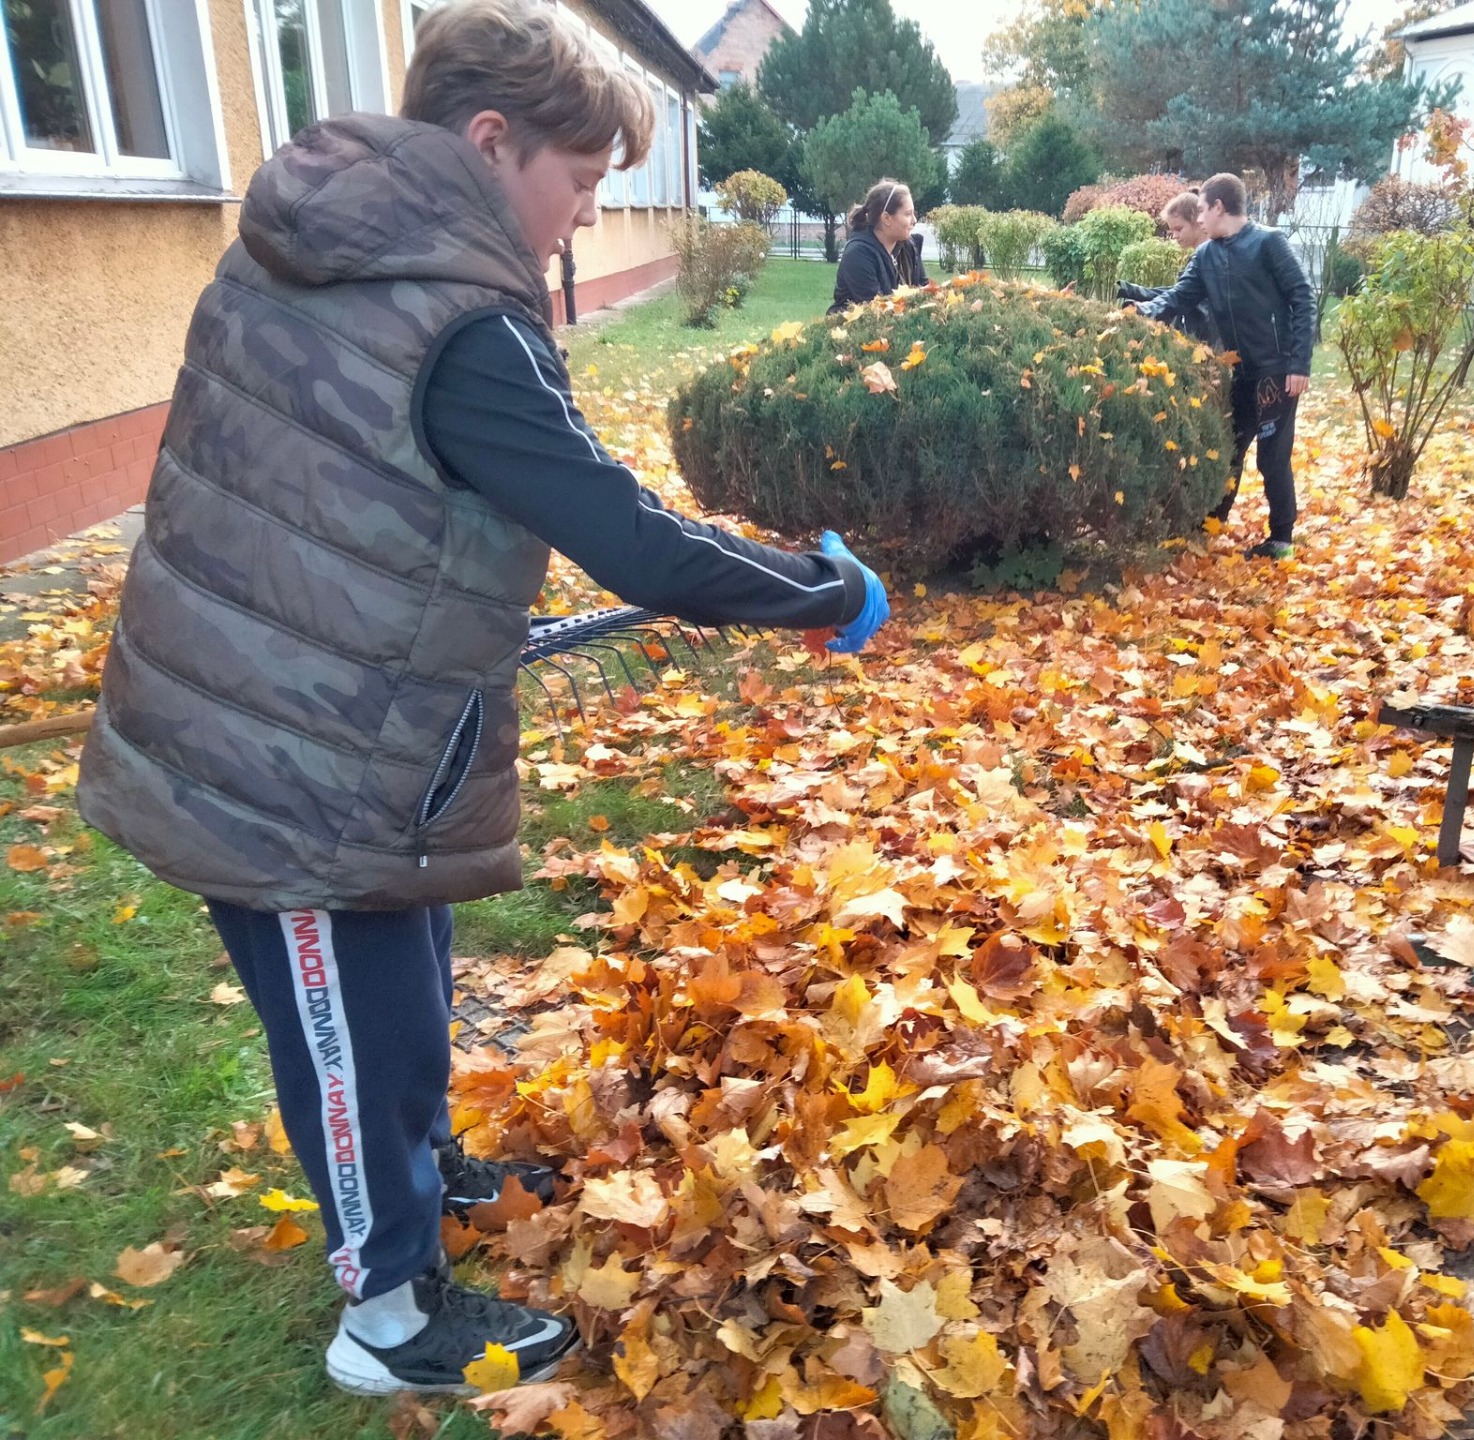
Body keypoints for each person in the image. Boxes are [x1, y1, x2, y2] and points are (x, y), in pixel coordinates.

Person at [75, 0, 887, 1399]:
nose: (583, 215)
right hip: (289, 752)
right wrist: (818, 591)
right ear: (490, 139)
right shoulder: (460, 323)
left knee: (409, 977)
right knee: (345, 1021)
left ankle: (425, 1175)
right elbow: (624, 532)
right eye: (576, 183)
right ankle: (384, 1317)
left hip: (330, 708)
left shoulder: (302, 249)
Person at [1125, 173, 1314, 560]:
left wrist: (1299, 363)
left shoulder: (1268, 243)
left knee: (1271, 456)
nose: (1198, 219)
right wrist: (1139, 311)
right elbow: (1178, 298)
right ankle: (1213, 523)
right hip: (1239, 371)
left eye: (1200, 210)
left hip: (1277, 370)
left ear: (1218, 207)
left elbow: (1303, 297)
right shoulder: (1206, 255)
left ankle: (1281, 538)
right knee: (1229, 449)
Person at [1117, 190, 1214, 345]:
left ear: (1196, 221)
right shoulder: (1203, 255)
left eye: (1179, 229)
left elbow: (1180, 296)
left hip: (1206, 341)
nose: (1174, 236)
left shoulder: (1208, 257)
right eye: (1171, 230)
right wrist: (1133, 291)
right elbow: (1182, 291)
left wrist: (1143, 307)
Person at [830, 178, 928, 313]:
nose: (914, 221)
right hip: (858, 331)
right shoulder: (858, 255)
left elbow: (926, 292)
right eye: (908, 214)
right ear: (886, 218)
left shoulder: (909, 247)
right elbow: (877, 310)